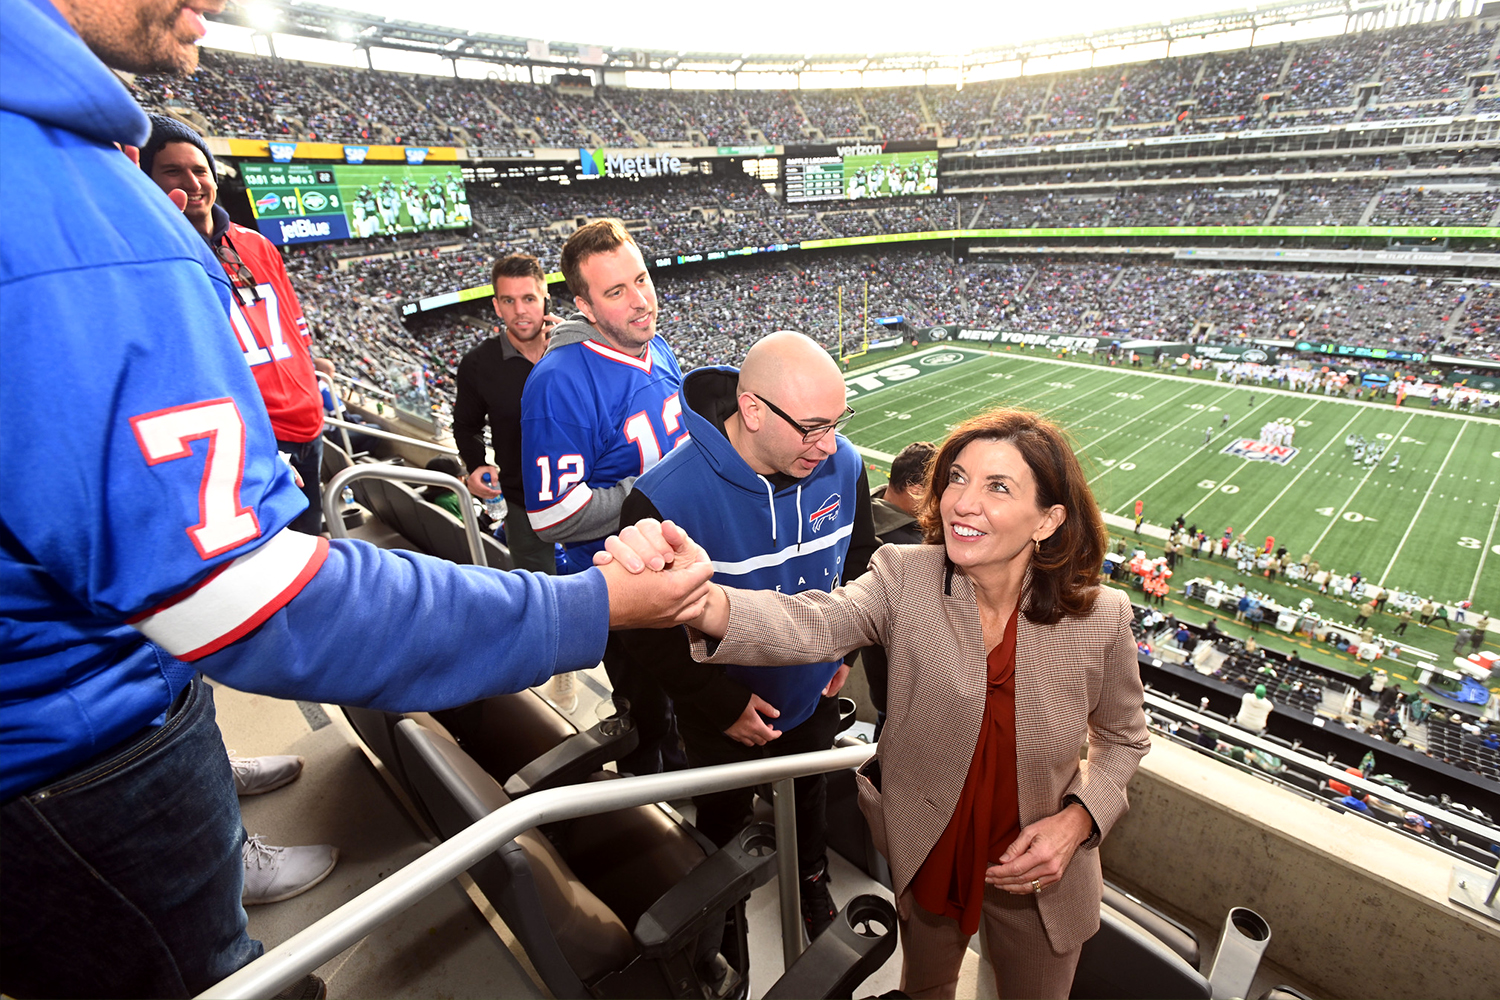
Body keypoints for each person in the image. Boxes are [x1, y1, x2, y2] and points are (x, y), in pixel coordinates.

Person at [0, 4, 712, 996]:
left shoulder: (60, 166)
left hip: (92, 697)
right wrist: (588, 607)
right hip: (64, 757)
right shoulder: (60, 210)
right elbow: (252, 601)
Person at [652, 408, 1150, 999]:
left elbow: (1124, 736)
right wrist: (703, 601)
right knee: (925, 989)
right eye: (957, 478)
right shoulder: (903, 574)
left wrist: (1080, 820)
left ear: (1048, 519)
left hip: (1041, 870)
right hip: (929, 845)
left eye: (998, 487)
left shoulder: (1101, 617)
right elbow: (810, 621)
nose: (963, 502)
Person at [618, 331, 878, 941]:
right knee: (723, 823)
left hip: (812, 689)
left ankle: (811, 881)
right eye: (813, 427)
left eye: (837, 423)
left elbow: (864, 565)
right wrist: (721, 703)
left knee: (808, 795)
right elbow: (641, 630)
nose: (830, 444)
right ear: (753, 409)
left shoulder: (843, 464)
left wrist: (844, 648)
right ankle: (722, 919)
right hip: (720, 706)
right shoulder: (662, 497)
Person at [522, 219, 689, 774]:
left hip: (674, 559)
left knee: (688, 707)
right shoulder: (560, 381)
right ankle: (652, 823)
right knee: (649, 715)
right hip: (621, 577)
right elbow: (553, 515)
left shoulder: (655, 344)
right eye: (616, 291)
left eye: (641, 279)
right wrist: (652, 493)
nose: (641, 301)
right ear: (585, 306)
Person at [140, 116, 327, 535]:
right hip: (255, 437)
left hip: (308, 424)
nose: (191, 182)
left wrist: (312, 379)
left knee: (312, 540)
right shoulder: (158, 260)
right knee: (277, 562)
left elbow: (292, 324)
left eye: (199, 169)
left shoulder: (256, 243)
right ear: (149, 180)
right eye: (173, 171)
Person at [453, 252, 561, 574]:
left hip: (591, 491)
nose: (520, 311)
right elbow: (465, 426)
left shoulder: (576, 348)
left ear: (546, 299)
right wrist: (475, 464)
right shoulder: (478, 364)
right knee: (540, 592)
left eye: (529, 298)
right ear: (497, 306)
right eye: (508, 301)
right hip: (522, 499)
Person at [863, 440, 938, 737]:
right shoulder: (902, 548)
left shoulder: (865, 510)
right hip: (908, 695)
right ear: (915, 489)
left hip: (886, 686)